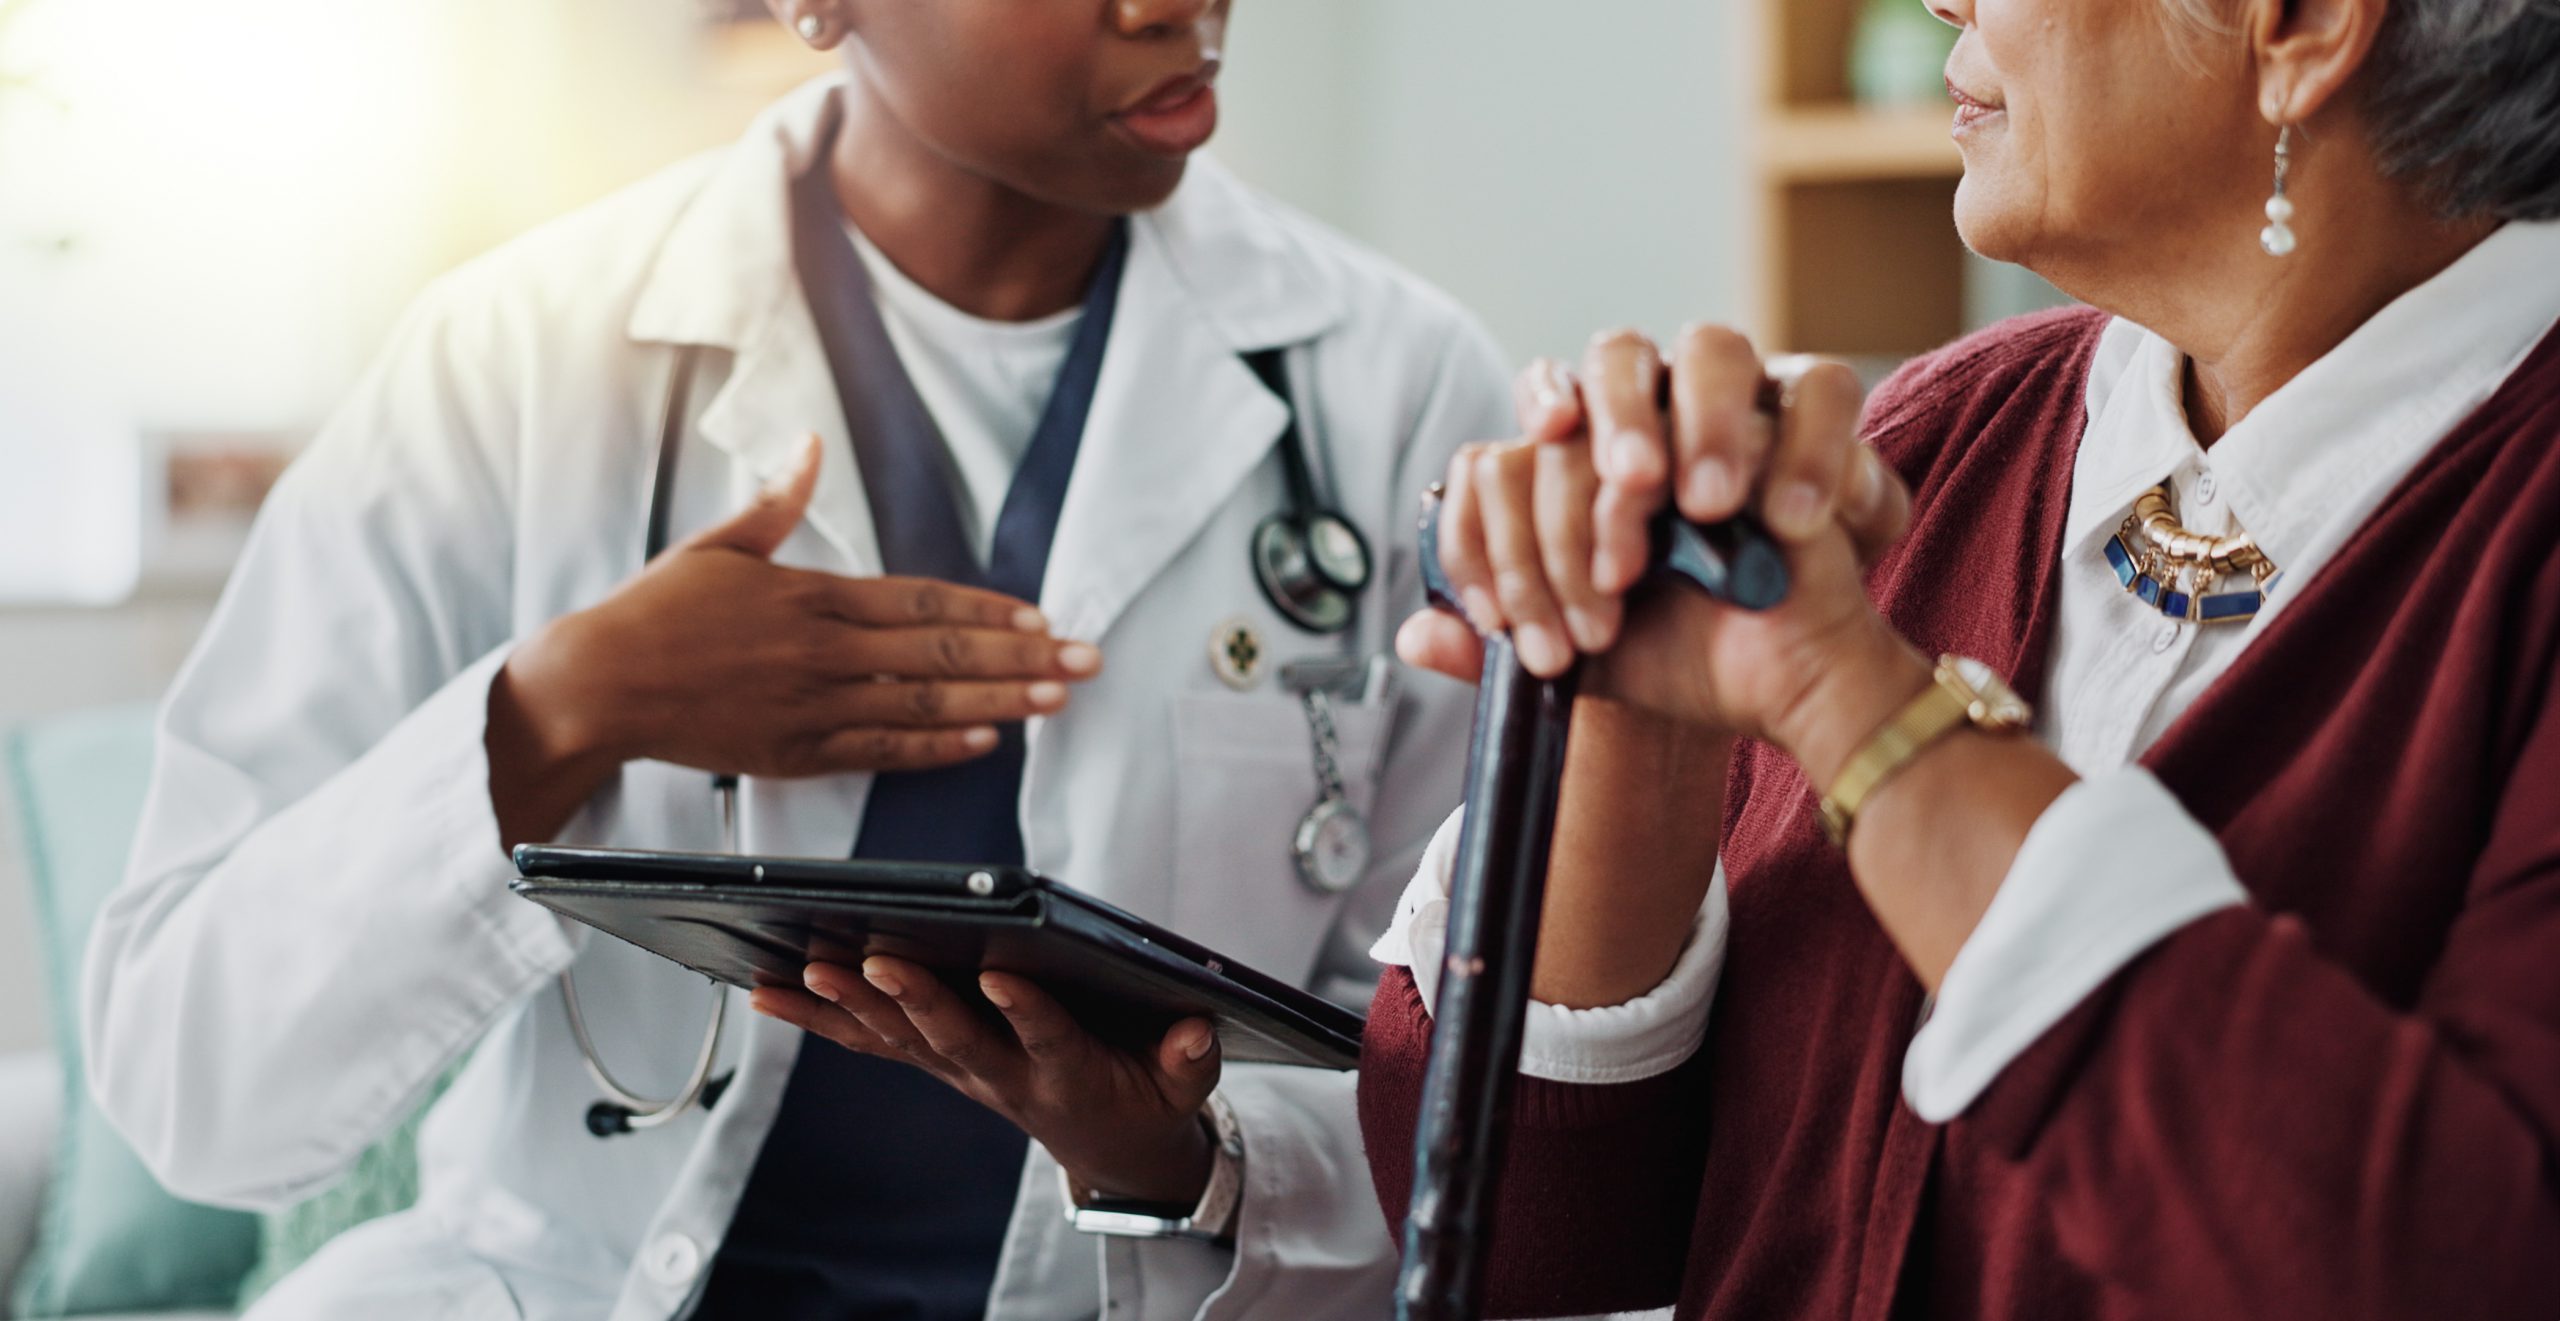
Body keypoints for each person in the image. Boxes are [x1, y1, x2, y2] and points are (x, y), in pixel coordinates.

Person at [82, 2, 1511, 1317]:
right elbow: (195, 1082)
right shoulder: (508, 358)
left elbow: (1462, 1091)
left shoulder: (1395, 389)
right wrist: (560, 712)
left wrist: (1190, 1154)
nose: (1172, 3)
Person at [1360, 0, 2560, 1316]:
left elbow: (2459, 1258)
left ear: (2308, 25)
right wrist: (1634, 717)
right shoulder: (1923, 442)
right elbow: (1526, 1231)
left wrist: (1852, 703)